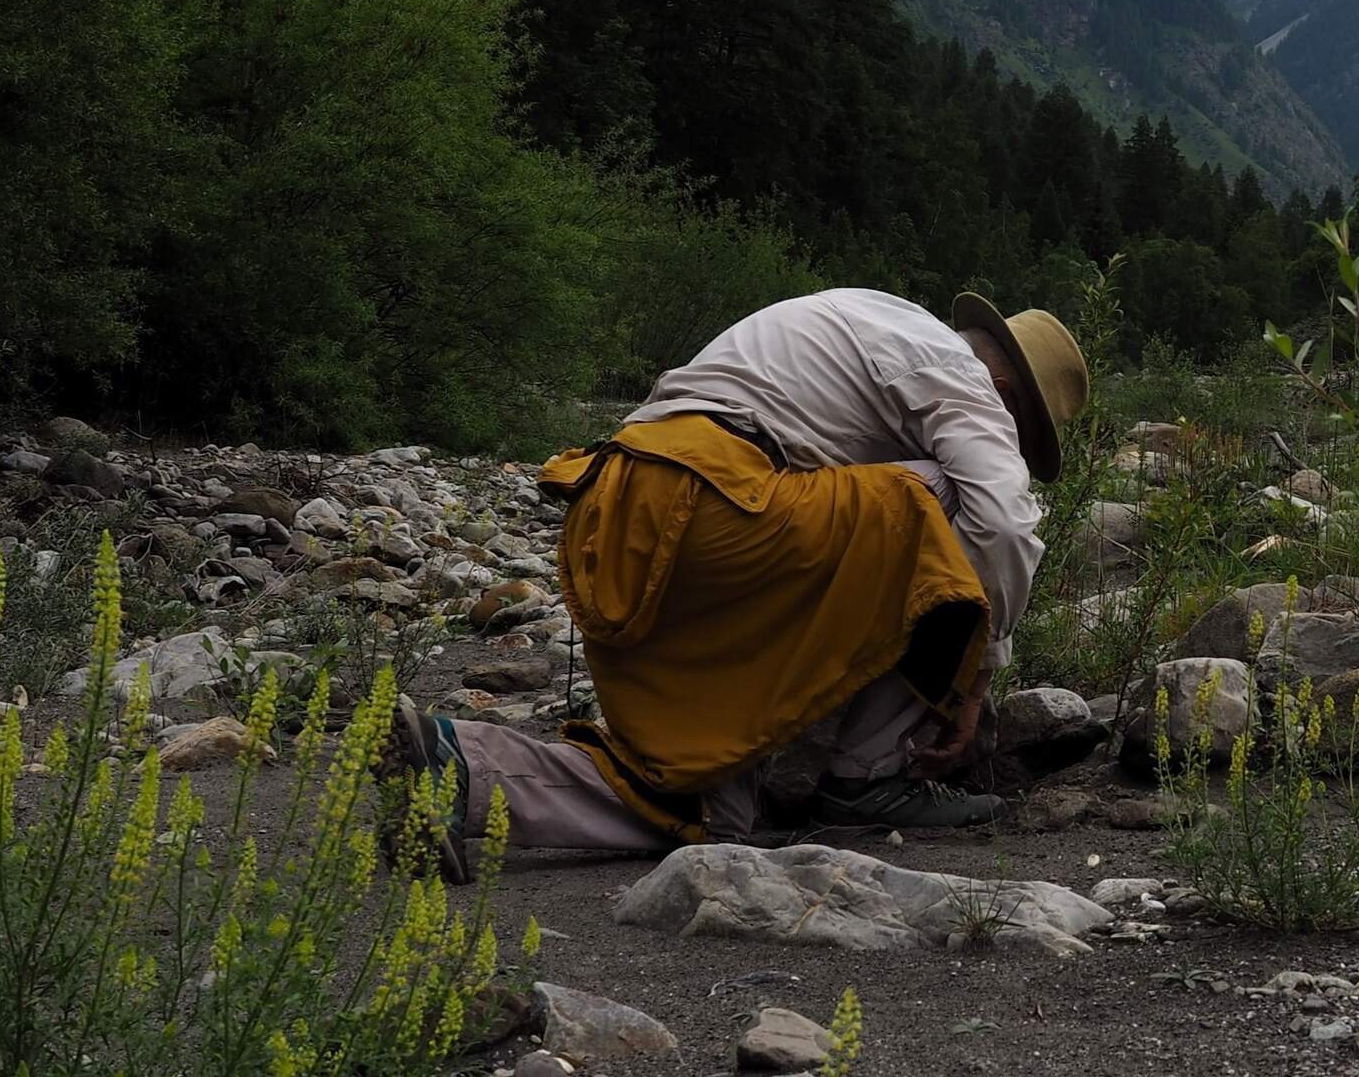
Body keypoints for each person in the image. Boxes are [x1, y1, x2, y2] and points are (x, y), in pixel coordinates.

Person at [383, 288, 1090, 868]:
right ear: (1003, 391)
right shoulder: (962, 381)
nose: (1007, 451)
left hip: (621, 516)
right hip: (712, 515)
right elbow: (1001, 525)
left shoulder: (871, 316)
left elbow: (820, 537)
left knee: (710, 812)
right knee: (938, 502)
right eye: (1015, 442)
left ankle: (460, 768)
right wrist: (975, 675)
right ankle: (868, 780)